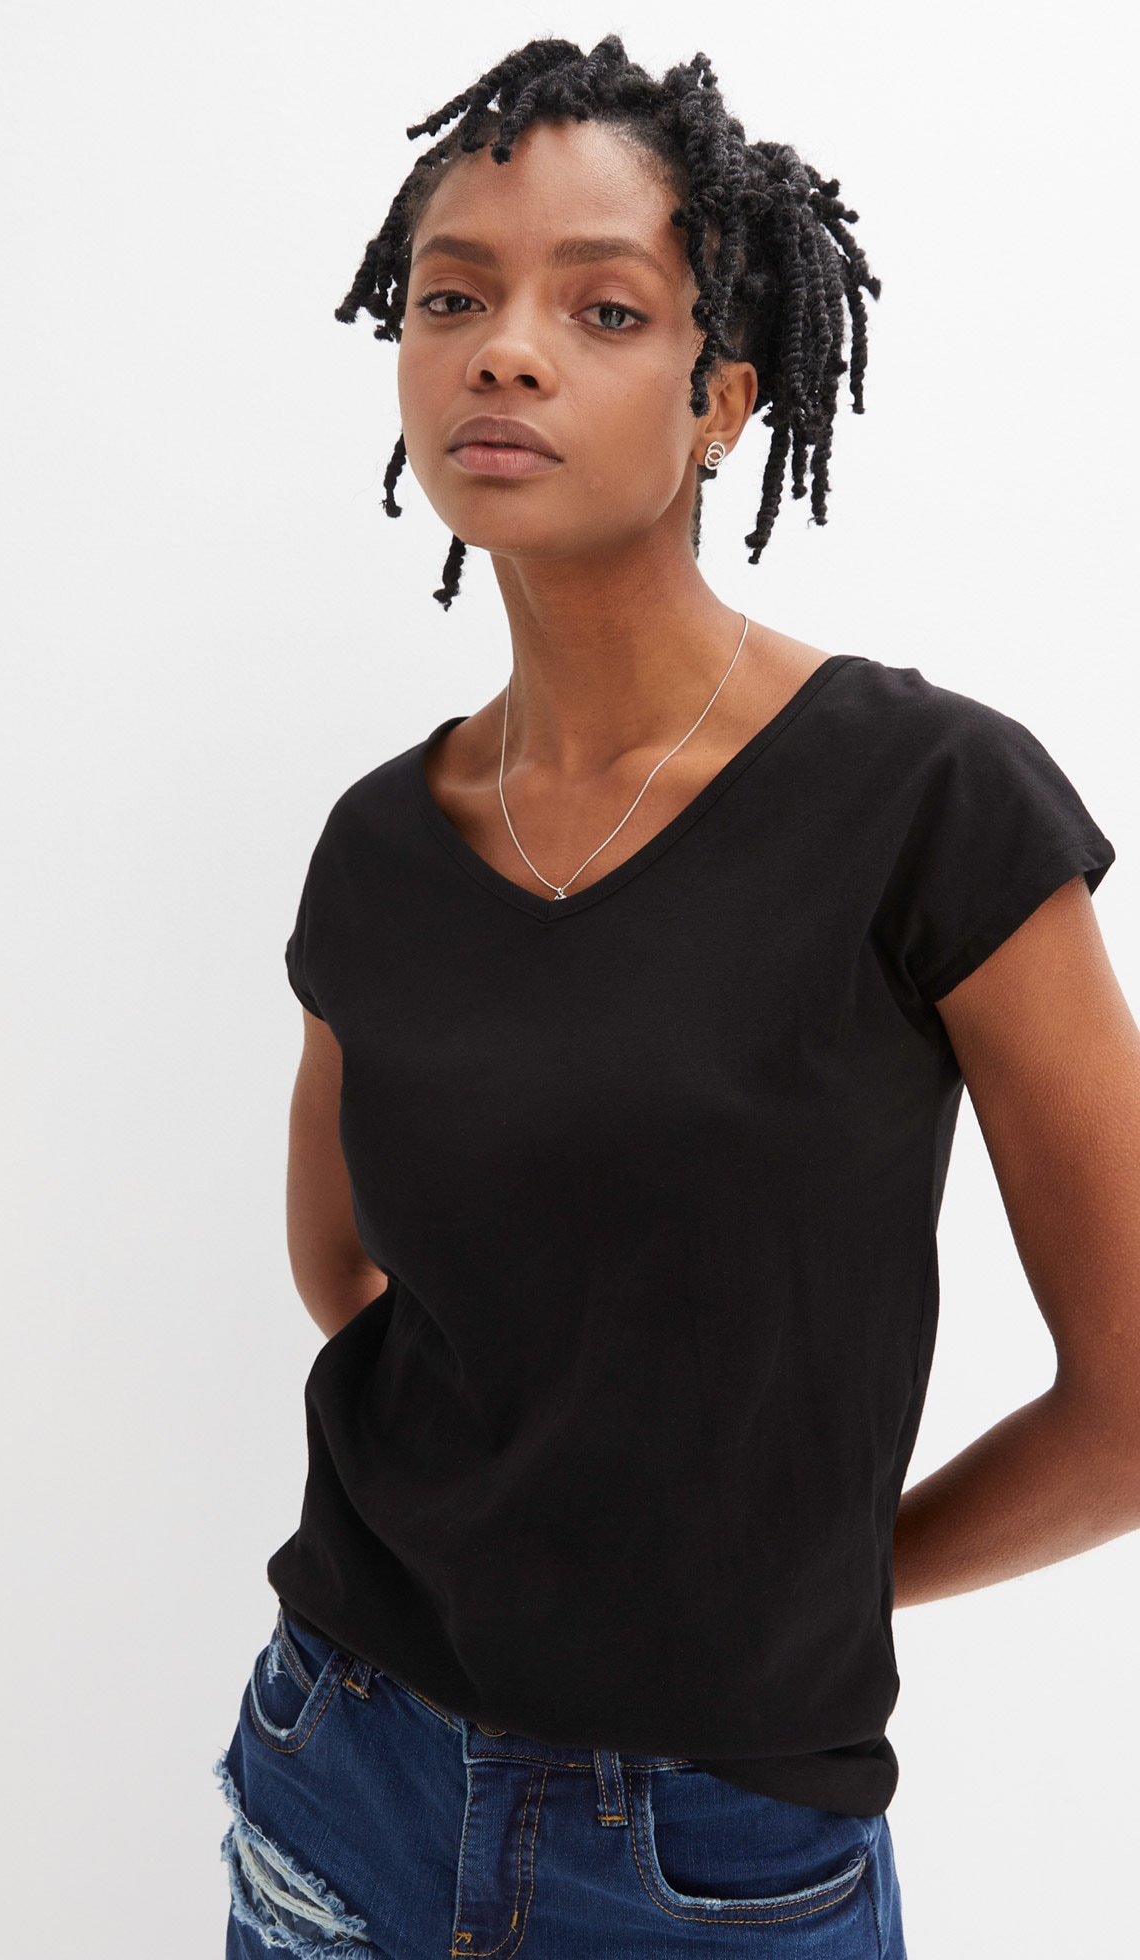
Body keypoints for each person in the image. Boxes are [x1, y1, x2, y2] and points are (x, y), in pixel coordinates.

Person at [215, 36, 1139, 1959]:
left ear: (723, 400)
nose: (504, 352)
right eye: (451, 297)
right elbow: (344, 1266)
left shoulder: (932, 805)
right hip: (341, 1774)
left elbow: (1133, 1406)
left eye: (603, 307)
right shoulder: (379, 842)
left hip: (713, 1850)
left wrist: (816, 1592)